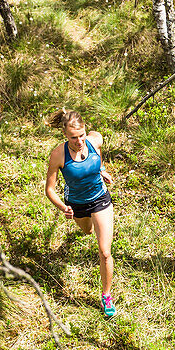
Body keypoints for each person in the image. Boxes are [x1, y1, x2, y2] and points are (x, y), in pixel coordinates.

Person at [45, 109, 116, 317]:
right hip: (76, 203)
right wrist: (64, 208)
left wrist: (101, 170)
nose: (79, 141)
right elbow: (50, 190)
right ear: (65, 136)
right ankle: (89, 222)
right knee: (86, 231)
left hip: (101, 198)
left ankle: (106, 296)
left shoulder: (94, 141)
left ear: (85, 130)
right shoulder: (58, 154)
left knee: (104, 252)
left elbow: (98, 149)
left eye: (82, 135)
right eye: (74, 138)